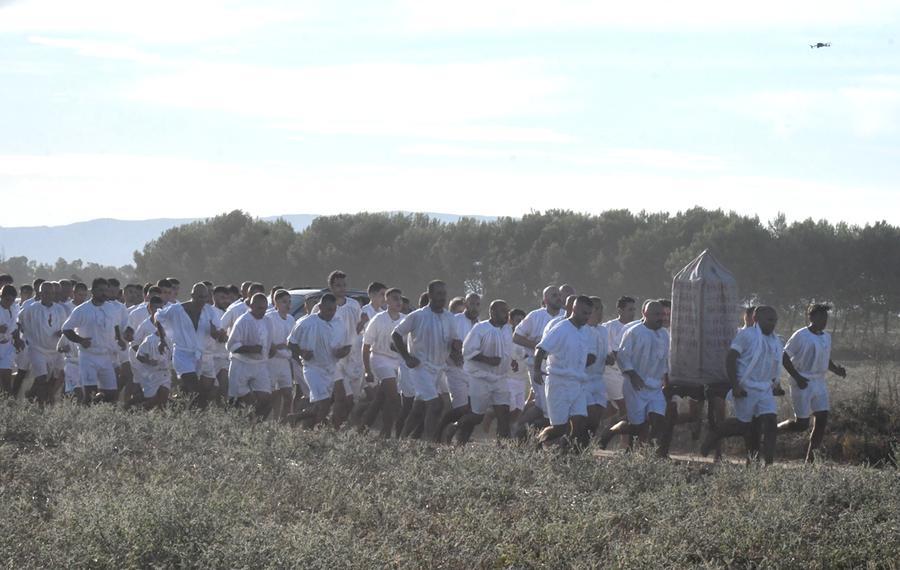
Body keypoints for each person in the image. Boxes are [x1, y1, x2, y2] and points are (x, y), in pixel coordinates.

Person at [701, 306, 783, 465]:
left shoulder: (776, 340)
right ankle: (716, 433)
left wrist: (775, 384)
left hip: (765, 388)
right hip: (746, 386)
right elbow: (731, 359)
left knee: (771, 422)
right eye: (769, 320)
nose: (773, 323)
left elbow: (776, 362)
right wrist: (735, 385)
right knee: (743, 426)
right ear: (756, 319)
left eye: (775, 320)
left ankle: (769, 464)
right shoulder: (747, 335)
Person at [778, 304, 848, 463]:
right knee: (802, 424)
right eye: (821, 317)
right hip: (802, 381)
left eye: (826, 318)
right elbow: (784, 356)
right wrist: (797, 377)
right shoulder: (800, 335)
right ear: (811, 317)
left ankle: (809, 461)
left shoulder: (826, 337)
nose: (824, 320)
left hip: (819, 382)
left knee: (822, 419)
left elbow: (825, 358)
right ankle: (774, 430)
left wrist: (836, 369)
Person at [392, 280, 460, 440]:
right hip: (420, 368)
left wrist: (457, 350)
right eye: (438, 294)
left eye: (444, 294)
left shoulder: (450, 317)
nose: (442, 297)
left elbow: (453, 341)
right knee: (436, 405)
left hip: (438, 369)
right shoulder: (418, 316)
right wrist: (407, 357)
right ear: (429, 295)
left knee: (418, 409)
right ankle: (430, 443)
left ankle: (400, 440)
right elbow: (395, 334)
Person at [600, 301, 670, 453]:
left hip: (655, 387)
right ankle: (611, 432)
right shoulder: (634, 332)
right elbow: (623, 356)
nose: (661, 318)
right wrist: (633, 374)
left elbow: (664, 360)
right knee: (637, 426)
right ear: (645, 314)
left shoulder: (664, 334)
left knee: (659, 421)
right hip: (635, 386)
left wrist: (666, 382)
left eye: (662, 315)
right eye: (657, 315)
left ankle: (649, 455)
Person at [532, 295, 596, 449]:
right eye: (583, 313)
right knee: (559, 428)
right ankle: (534, 445)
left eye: (589, 313)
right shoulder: (561, 328)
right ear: (573, 309)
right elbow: (540, 349)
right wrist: (536, 370)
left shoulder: (585, 331)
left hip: (577, 384)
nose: (586, 317)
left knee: (579, 422)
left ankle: (564, 456)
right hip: (558, 383)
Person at [154, 283, 225, 409]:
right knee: (195, 389)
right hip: (183, 354)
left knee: (207, 391)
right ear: (192, 295)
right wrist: (162, 339)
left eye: (204, 297)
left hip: (203, 356)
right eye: (199, 297)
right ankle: (193, 416)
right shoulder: (176, 309)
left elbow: (216, 332)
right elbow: (158, 317)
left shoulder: (210, 312)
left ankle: (178, 408)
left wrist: (219, 334)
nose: (202, 300)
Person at [453, 299, 514, 443]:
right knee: (477, 417)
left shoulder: (507, 329)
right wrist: (488, 360)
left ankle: (503, 451)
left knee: (504, 414)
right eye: (503, 311)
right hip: (480, 378)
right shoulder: (480, 328)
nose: (507, 315)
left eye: (507, 311)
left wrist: (512, 361)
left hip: (500, 379)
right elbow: (467, 351)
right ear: (492, 312)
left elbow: (506, 349)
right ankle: (455, 429)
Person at [289, 293, 351, 428]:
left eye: (334, 309)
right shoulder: (306, 323)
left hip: (332, 366)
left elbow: (347, 346)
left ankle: (303, 422)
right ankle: (312, 431)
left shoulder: (339, 323)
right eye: (329, 309)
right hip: (313, 368)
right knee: (324, 403)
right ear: (320, 307)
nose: (332, 313)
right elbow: (291, 343)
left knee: (338, 399)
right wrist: (302, 353)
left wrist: (342, 352)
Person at [512, 286, 564, 434]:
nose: (559, 298)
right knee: (546, 407)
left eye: (559, 295)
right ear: (545, 300)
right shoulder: (535, 316)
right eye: (554, 295)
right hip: (537, 365)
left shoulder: (565, 316)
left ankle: (519, 428)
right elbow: (516, 337)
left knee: (543, 406)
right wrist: (539, 347)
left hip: (557, 366)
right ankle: (523, 432)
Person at [62, 278, 119, 404]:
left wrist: (118, 339)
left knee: (112, 394)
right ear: (92, 291)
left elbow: (115, 326)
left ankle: (98, 413)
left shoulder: (111, 308)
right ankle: (85, 416)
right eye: (100, 290)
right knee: (90, 394)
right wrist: (80, 340)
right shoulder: (82, 310)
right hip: (88, 357)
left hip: (106, 356)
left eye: (106, 290)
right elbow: (66, 329)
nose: (104, 293)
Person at [361, 287, 405, 438]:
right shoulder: (378, 319)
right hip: (380, 359)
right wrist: (367, 370)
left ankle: (365, 429)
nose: (398, 301)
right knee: (394, 397)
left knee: (381, 399)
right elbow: (366, 346)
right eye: (394, 298)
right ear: (386, 301)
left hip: (397, 362)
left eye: (400, 298)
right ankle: (398, 433)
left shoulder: (405, 319)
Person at [436, 293, 480, 443]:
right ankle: (441, 430)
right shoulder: (455, 320)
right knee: (462, 408)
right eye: (471, 304)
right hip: (454, 369)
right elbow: (443, 339)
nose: (474, 307)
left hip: (473, 372)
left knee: (474, 411)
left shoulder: (480, 325)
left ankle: (460, 442)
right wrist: (453, 352)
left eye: (477, 304)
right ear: (466, 304)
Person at [18, 281, 68, 404]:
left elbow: (65, 328)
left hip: (55, 351)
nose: (48, 295)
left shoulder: (60, 310)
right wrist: (18, 338)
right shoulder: (31, 309)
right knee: (41, 379)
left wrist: (61, 334)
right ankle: (40, 407)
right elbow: (18, 322)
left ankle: (34, 397)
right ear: (39, 293)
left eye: (51, 292)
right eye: (45, 292)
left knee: (55, 379)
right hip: (37, 349)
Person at [227, 293, 275, 419]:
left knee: (267, 400)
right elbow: (231, 346)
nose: (263, 311)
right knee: (245, 402)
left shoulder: (268, 321)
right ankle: (242, 425)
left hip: (260, 365)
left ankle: (254, 427)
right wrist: (250, 349)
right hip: (241, 364)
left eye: (265, 308)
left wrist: (271, 348)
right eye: (259, 308)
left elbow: (269, 342)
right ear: (251, 306)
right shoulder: (243, 321)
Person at [601, 296, 636, 438]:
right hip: (610, 373)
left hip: (626, 375)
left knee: (610, 410)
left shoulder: (636, 327)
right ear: (620, 310)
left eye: (634, 309)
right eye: (629, 309)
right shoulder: (608, 327)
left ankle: (585, 425)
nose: (633, 312)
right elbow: (614, 353)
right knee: (627, 409)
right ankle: (619, 441)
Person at [584, 296, 612, 443]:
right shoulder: (583, 330)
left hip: (599, 379)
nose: (600, 312)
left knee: (597, 416)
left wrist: (609, 357)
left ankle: (585, 447)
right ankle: (573, 447)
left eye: (601, 308)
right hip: (584, 379)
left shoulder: (603, 330)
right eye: (596, 308)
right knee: (589, 414)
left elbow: (608, 351)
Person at [266, 289, 296, 421]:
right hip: (271, 362)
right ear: (276, 302)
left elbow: (292, 342)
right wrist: (278, 346)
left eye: (289, 302)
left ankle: (282, 422)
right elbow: (267, 342)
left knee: (288, 395)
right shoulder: (270, 317)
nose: (288, 305)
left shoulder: (291, 319)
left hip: (285, 362)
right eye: (284, 302)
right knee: (272, 395)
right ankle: (270, 421)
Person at [0, 285, 20, 397]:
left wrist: (18, 340)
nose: (9, 302)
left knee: (6, 376)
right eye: (7, 299)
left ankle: (10, 404)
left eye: (12, 300)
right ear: (1, 297)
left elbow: (15, 327)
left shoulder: (14, 308)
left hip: (7, 346)